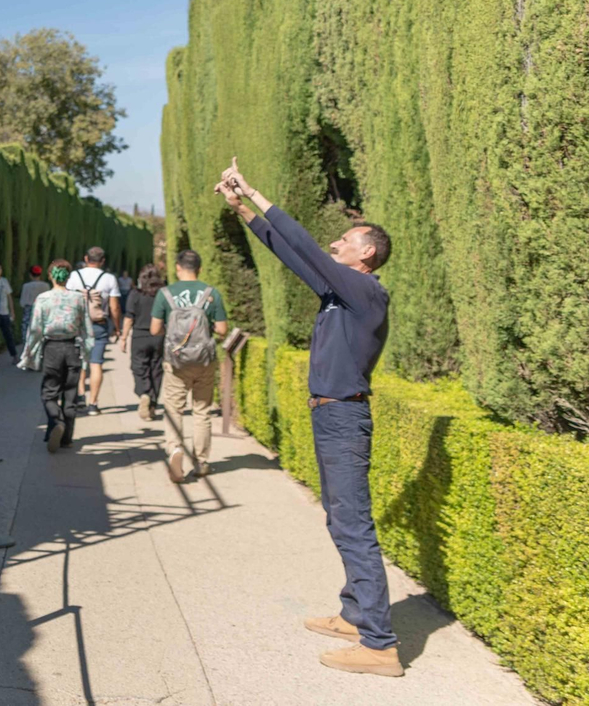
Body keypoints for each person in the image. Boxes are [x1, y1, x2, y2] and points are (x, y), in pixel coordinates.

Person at [216, 157, 402, 678]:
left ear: (367, 253)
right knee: (341, 519)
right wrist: (241, 211)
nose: (335, 244)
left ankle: (380, 644)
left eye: (345, 240)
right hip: (333, 417)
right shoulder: (338, 292)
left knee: (353, 525)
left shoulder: (365, 291)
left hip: (344, 418)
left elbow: (301, 242)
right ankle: (356, 614)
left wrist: (253, 190)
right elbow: (290, 253)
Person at [150, 251, 227, 480]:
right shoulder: (211, 294)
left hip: (175, 362)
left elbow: (154, 329)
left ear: (177, 268)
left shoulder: (165, 294)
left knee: (174, 409)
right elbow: (222, 330)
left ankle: (175, 449)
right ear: (200, 269)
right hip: (204, 360)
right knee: (202, 411)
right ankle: (201, 462)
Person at [22, 260, 95, 453]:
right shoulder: (79, 299)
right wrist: (87, 353)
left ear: (50, 276)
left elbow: (35, 329)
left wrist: (28, 353)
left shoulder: (43, 299)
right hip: (72, 348)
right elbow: (86, 328)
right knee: (70, 394)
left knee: (49, 392)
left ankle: (56, 422)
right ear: (68, 277)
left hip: (52, 348)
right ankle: (67, 438)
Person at [66, 247, 121, 415]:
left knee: (81, 361)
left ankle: (81, 396)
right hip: (99, 323)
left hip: (79, 323)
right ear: (103, 261)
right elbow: (114, 307)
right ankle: (93, 404)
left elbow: (67, 298)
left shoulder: (75, 276)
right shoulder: (109, 278)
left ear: (85, 258)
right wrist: (117, 327)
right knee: (96, 363)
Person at [120, 264, 167, 421]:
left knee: (139, 367)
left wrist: (123, 337)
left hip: (139, 335)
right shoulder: (163, 294)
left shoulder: (135, 294)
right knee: (156, 369)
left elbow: (129, 317)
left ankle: (144, 392)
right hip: (159, 335)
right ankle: (152, 404)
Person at [18, 264, 50, 346]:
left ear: (30, 274)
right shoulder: (46, 285)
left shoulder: (26, 286)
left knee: (27, 331)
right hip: (42, 310)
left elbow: (22, 302)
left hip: (29, 310)